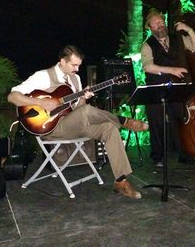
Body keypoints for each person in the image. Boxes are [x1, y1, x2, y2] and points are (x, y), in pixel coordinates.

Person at [8, 45, 149, 199]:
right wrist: (41, 103)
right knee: (88, 111)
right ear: (62, 61)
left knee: (109, 128)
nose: (77, 69)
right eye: (74, 65)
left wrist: (82, 98)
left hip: (73, 124)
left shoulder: (76, 79)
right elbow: (12, 97)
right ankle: (124, 121)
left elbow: (77, 111)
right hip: (50, 128)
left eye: (79, 66)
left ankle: (121, 182)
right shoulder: (43, 76)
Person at [141, 8, 195, 167]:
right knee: (156, 121)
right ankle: (158, 157)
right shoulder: (147, 45)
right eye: (155, 23)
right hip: (156, 87)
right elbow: (148, 67)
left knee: (180, 121)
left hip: (178, 87)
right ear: (150, 28)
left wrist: (188, 30)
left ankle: (184, 154)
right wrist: (172, 70)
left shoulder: (179, 39)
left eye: (161, 22)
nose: (159, 25)